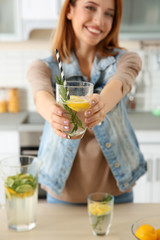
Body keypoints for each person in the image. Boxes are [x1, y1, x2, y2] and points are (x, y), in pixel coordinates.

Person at [27, 0, 147, 204]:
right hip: (62, 194)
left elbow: (119, 85)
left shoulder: (126, 60)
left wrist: (101, 104)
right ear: (70, 10)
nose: (100, 20)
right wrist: (54, 115)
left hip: (116, 192)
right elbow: (41, 96)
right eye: (90, 8)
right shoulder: (44, 67)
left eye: (109, 13)